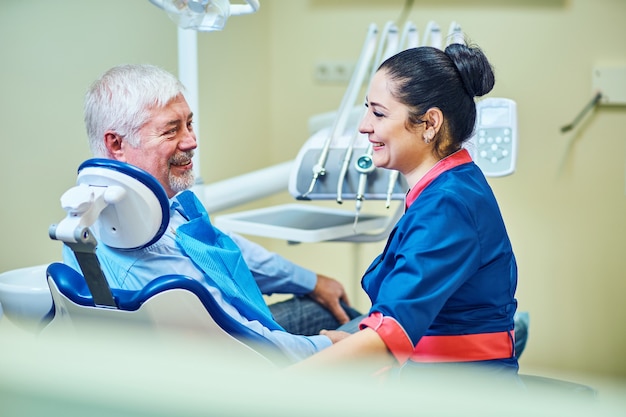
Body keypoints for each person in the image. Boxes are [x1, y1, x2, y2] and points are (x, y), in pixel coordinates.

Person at [62, 63, 360, 363]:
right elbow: (240, 344)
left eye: (189, 124)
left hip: (231, 340)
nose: (191, 141)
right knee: (373, 337)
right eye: (171, 130)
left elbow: (223, 249)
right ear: (116, 144)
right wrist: (324, 346)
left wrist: (311, 281)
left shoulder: (153, 207)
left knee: (331, 306)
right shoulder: (133, 242)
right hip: (240, 362)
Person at [293, 43, 520, 379]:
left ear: (430, 123)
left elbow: (390, 335)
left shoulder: (447, 206)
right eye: (367, 109)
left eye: (379, 113)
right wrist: (356, 344)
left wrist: (275, 387)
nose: (364, 126)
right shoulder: (451, 184)